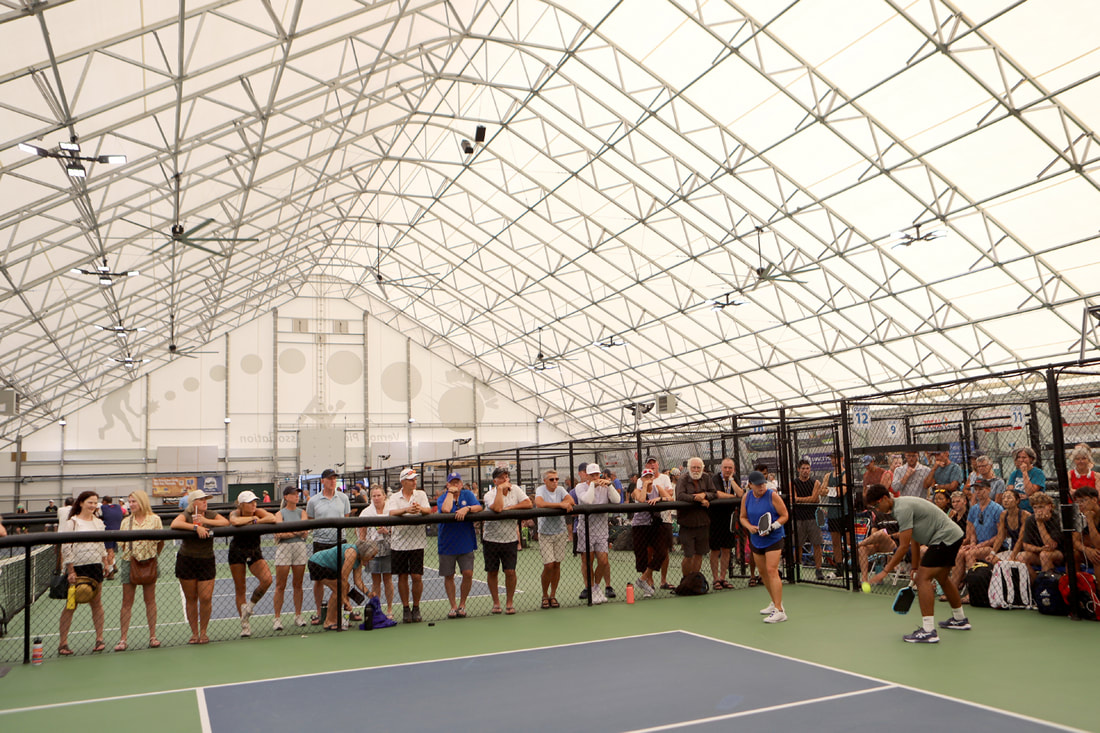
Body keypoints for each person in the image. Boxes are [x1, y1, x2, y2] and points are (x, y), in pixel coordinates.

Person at [867, 484, 968, 643]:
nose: (876, 509)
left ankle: (928, 631)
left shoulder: (902, 509)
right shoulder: (899, 507)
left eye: (876, 505)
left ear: (885, 498)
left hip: (944, 538)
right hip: (953, 536)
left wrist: (885, 571)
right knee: (942, 578)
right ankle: (960, 619)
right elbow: (914, 538)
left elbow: (903, 547)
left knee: (922, 580)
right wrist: (914, 567)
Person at [171, 489, 229, 644]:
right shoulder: (187, 514)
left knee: (205, 598)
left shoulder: (210, 514)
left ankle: (204, 631)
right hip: (187, 560)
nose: (205, 502)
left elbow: (225, 522)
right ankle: (194, 633)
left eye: (206, 499)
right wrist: (196, 527)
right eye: (201, 499)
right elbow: (175, 524)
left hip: (206, 560)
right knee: (191, 598)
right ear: (193, 503)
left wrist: (205, 521)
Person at [58, 491, 108, 655]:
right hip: (77, 568)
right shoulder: (72, 523)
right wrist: (70, 570)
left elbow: (101, 544)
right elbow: (66, 547)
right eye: (89, 502)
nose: (93, 506)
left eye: (95, 503)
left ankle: (99, 639)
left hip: (95, 566)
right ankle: (63, 643)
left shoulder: (98, 522)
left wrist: (105, 561)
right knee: (71, 605)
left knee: (97, 603)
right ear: (81, 503)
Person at [115, 489, 163, 651]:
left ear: (142, 501)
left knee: (150, 600)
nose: (131, 504)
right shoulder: (125, 522)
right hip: (129, 563)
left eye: (134, 501)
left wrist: (152, 556)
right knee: (126, 602)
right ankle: (123, 639)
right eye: (130, 501)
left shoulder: (155, 520)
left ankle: (153, 636)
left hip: (149, 562)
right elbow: (122, 545)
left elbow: (160, 542)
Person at [739, 470, 789, 623]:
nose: (761, 486)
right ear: (750, 485)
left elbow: (785, 515)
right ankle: (774, 602)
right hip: (756, 539)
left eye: (763, 483)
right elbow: (742, 517)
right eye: (758, 484)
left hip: (774, 538)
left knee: (771, 570)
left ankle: (780, 611)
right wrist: (749, 527)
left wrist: (772, 527)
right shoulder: (746, 497)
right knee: (763, 572)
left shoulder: (772, 495)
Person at [482, 466, 533, 613]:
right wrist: (500, 490)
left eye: (506, 476)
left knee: (510, 571)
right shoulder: (489, 494)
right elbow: (498, 508)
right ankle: (496, 603)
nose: (505, 479)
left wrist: (510, 508)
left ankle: (509, 603)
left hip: (510, 539)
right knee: (492, 572)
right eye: (501, 477)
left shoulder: (515, 489)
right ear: (495, 481)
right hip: (491, 539)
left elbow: (528, 503)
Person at [306, 468, 352, 624]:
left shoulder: (343, 498)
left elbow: (346, 517)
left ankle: (343, 610)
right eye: (329, 478)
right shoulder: (313, 501)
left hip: (340, 543)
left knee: (343, 578)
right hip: (321, 543)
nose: (333, 481)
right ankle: (320, 613)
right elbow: (310, 519)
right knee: (319, 580)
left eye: (334, 478)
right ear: (322, 481)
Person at [228, 491, 276, 637]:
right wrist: (251, 519)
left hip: (254, 551)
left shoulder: (258, 512)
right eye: (250, 502)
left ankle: (249, 607)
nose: (253, 504)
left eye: (254, 501)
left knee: (267, 579)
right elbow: (235, 522)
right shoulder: (235, 513)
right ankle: (245, 625)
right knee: (240, 588)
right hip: (237, 552)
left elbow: (272, 518)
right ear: (241, 505)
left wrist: (255, 521)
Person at [386, 467, 430, 623]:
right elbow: (391, 512)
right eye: (411, 480)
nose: (414, 482)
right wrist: (406, 510)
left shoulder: (421, 494)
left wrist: (419, 509)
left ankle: (416, 607)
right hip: (399, 543)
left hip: (417, 542)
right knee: (402, 576)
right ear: (403, 482)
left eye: (415, 479)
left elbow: (428, 510)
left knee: (417, 576)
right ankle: (406, 608)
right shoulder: (394, 497)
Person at [436, 471, 482, 618]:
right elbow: (445, 509)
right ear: (447, 484)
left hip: (465, 541)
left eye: (458, 482)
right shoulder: (443, 498)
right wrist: (450, 493)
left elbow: (479, 507)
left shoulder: (468, 495)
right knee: (449, 575)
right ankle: (453, 606)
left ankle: (462, 604)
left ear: (461, 484)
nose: (455, 484)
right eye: (452, 482)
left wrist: (467, 508)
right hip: (447, 543)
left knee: (468, 573)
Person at [574, 463, 620, 604]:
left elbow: (617, 500)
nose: (595, 477)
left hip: (602, 530)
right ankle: (590, 588)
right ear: (587, 476)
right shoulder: (580, 487)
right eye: (592, 475)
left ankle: (596, 587)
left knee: (603, 561)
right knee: (587, 561)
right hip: (585, 529)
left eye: (597, 474)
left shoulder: (605, 486)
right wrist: (593, 486)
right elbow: (587, 501)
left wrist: (609, 485)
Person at [307, 541, 378, 629]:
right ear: (366, 553)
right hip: (317, 563)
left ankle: (336, 618)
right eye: (372, 556)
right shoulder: (352, 554)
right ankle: (328, 621)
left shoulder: (359, 559)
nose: (373, 558)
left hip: (329, 567)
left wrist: (368, 593)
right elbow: (343, 577)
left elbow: (358, 581)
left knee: (345, 587)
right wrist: (345, 600)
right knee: (338, 589)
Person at [950, 481, 1003, 592]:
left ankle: (973, 591)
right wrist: (973, 543)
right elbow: (972, 531)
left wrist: (981, 545)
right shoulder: (974, 509)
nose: (978, 492)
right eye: (976, 490)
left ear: (989, 490)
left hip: (994, 546)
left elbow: (1000, 534)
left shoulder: (997, 509)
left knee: (970, 554)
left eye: (981, 489)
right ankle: (953, 589)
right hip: (977, 545)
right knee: (959, 553)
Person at [534, 468, 574, 608]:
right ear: (545, 481)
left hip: (560, 532)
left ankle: (553, 595)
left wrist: (565, 502)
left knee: (557, 564)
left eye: (557, 479)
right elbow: (539, 503)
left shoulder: (561, 490)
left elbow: (571, 500)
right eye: (552, 479)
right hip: (545, 533)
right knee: (549, 565)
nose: (555, 482)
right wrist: (560, 505)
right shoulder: (540, 490)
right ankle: (544, 595)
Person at [272, 485, 309, 629]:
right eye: (293, 494)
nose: (296, 496)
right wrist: (296, 532)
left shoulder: (302, 512)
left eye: (297, 494)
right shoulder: (279, 514)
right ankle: (277, 618)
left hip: (300, 548)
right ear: (286, 497)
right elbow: (279, 534)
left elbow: (304, 531)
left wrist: (289, 532)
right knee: (280, 585)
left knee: (298, 584)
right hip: (284, 549)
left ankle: (298, 615)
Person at [630, 468, 670, 598]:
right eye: (646, 477)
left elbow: (670, 498)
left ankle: (642, 579)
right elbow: (642, 499)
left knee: (662, 552)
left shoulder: (657, 488)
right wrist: (644, 486)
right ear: (641, 479)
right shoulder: (636, 490)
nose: (648, 479)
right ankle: (647, 585)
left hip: (654, 525)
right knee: (642, 555)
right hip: (640, 526)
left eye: (650, 476)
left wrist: (659, 498)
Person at [675, 457, 716, 583]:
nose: (696, 470)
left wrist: (704, 495)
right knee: (688, 555)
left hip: (703, 522)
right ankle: (685, 580)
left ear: (702, 468)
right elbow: (680, 495)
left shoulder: (707, 478)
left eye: (698, 467)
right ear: (689, 468)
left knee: (699, 553)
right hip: (687, 523)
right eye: (694, 467)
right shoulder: (683, 479)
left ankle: (695, 581)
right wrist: (695, 498)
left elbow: (714, 493)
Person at [1010, 491, 1062, 582]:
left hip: (1058, 554)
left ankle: (1047, 584)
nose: (1038, 511)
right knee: (1022, 557)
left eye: (1041, 507)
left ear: (1049, 506)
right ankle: (1036, 583)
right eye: (1035, 508)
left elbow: (1051, 545)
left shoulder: (1056, 519)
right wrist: (1040, 549)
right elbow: (1026, 545)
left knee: (1045, 555)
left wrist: (1040, 523)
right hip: (1039, 552)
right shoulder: (1030, 520)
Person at [359, 486, 394, 618]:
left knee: (388, 579)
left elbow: (397, 530)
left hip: (389, 548)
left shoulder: (391, 510)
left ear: (384, 496)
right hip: (372, 550)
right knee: (376, 581)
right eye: (374, 496)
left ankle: (389, 609)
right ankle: (377, 610)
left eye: (379, 495)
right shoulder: (366, 513)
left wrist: (387, 531)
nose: (376, 498)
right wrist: (363, 554)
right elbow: (361, 534)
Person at [709, 457, 742, 589]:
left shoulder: (735, 478)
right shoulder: (715, 478)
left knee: (727, 549)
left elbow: (741, 493)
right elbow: (717, 494)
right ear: (721, 468)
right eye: (725, 468)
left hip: (730, 518)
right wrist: (733, 497)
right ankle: (715, 579)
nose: (727, 470)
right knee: (715, 549)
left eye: (730, 468)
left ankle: (723, 578)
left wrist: (732, 480)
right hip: (715, 518)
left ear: (733, 469)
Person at [790, 458, 827, 580]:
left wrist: (799, 499)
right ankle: (798, 568)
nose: (805, 471)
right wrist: (807, 499)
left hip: (812, 517)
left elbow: (815, 499)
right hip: (798, 518)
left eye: (807, 468)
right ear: (798, 470)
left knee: (816, 544)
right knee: (798, 545)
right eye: (803, 468)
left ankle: (819, 570)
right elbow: (793, 499)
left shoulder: (815, 482)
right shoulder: (793, 483)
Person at [1006, 447, 1045, 512]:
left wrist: (1024, 472)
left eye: (1024, 457)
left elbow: (1030, 492)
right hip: (1016, 508)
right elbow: (1010, 491)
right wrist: (1019, 496)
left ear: (1031, 459)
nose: (1021, 460)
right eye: (1019, 457)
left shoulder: (1038, 473)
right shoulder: (1014, 473)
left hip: (1031, 509)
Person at [1072, 486, 1100, 570]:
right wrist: (1086, 550)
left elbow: (1098, 544)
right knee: (1073, 553)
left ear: (1094, 500)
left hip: (1097, 551)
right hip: (1090, 550)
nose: (1080, 504)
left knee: (1097, 556)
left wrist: (1090, 520)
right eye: (1077, 502)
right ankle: (1076, 578)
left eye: (1083, 501)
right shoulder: (1079, 516)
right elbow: (1074, 541)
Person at [99, 495, 124, 579]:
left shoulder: (103, 507)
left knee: (108, 551)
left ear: (104, 502)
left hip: (107, 531)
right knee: (111, 550)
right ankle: (114, 565)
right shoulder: (118, 507)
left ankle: (110, 572)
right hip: (117, 531)